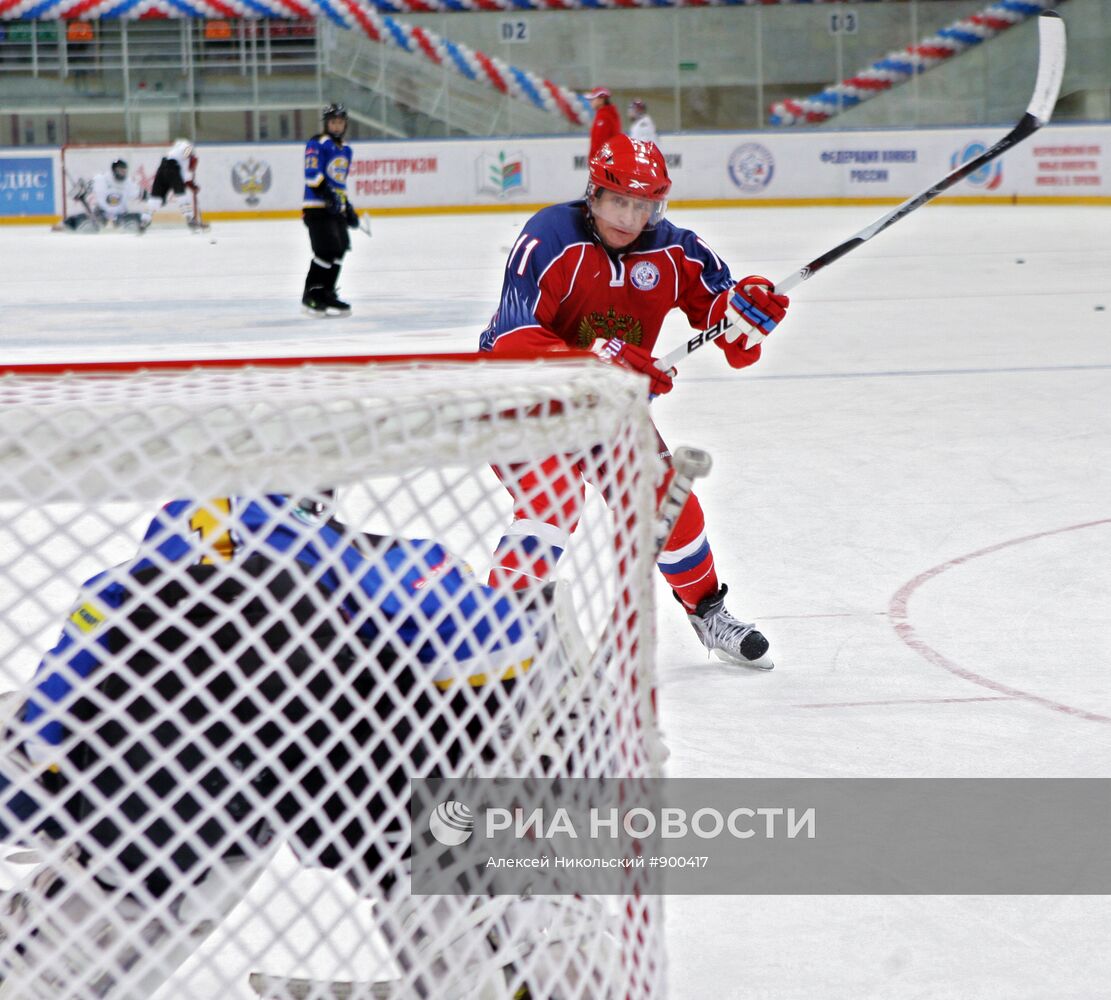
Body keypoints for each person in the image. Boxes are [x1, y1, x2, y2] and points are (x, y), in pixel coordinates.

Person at [0, 492, 571, 997]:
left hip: (182, 796)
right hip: (279, 780)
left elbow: (58, 695)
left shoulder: (135, 592)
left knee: (178, 849)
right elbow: (499, 640)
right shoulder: (372, 572)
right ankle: (513, 953)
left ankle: (511, 947)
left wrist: (40, 752)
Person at [479, 134, 790, 670]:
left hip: (606, 407)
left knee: (665, 498)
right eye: (618, 200)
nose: (630, 216)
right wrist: (600, 356)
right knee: (553, 496)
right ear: (593, 194)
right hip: (520, 393)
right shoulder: (548, 236)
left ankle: (707, 612)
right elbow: (512, 340)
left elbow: (733, 337)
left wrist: (750, 313)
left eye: (644, 204)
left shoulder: (676, 249)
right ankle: (499, 629)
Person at [301, 103, 360, 317]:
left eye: (340, 122)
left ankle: (327, 292)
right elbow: (312, 174)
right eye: (333, 122)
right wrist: (327, 194)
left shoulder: (346, 149)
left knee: (340, 248)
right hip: (316, 207)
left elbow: (339, 183)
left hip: (335, 209)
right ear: (327, 123)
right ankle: (312, 295)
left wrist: (347, 208)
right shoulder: (317, 143)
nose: (337, 126)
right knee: (325, 250)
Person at [57, 159, 151, 233]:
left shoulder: (129, 183)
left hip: (121, 216)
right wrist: (79, 192)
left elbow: (145, 195)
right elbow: (80, 190)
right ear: (114, 170)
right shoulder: (100, 179)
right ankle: (66, 225)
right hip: (100, 215)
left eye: (124, 171)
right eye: (120, 170)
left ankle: (127, 227)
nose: (123, 173)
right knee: (82, 221)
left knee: (143, 218)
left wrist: (153, 198)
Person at [148, 138, 203, 230]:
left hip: (162, 168)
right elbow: (186, 179)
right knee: (182, 196)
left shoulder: (178, 148)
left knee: (156, 199)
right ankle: (190, 220)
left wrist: (192, 186)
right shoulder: (187, 152)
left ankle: (145, 220)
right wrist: (194, 187)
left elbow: (185, 179)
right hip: (172, 170)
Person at [584, 86, 620, 159]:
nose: (590, 102)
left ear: (601, 100)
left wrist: (595, 161)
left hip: (603, 162)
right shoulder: (608, 114)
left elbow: (599, 142)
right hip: (607, 160)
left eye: (593, 99)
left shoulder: (604, 117)